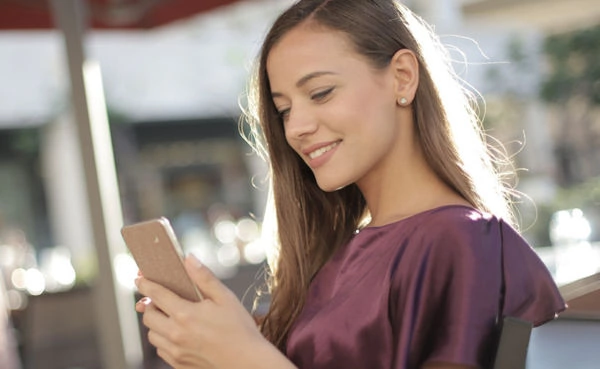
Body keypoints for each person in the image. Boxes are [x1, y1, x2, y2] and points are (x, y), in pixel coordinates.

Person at [134, 1, 566, 368]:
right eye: (283, 110)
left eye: (320, 93)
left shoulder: (463, 241)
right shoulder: (335, 259)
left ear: (402, 77)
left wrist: (247, 357)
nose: (296, 127)